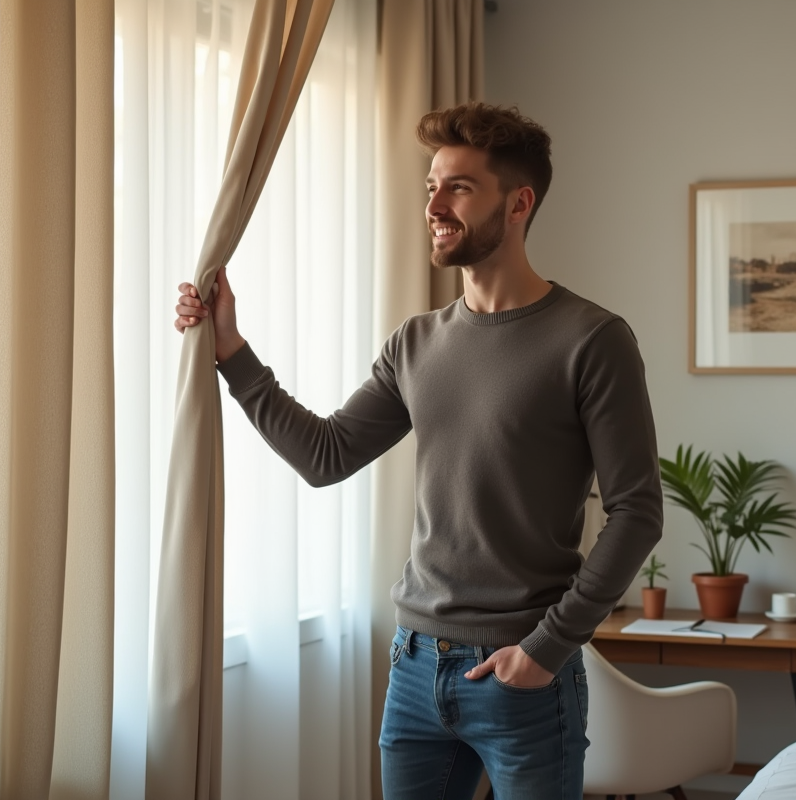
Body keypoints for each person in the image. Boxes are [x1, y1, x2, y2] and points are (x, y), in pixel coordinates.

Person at [174, 102, 663, 800]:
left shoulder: (592, 340)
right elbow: (326, 454)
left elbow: (637, 511)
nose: (433, 203)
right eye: (430, 185)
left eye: (458, 186)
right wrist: (231, 353)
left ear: (518, 203)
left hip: (521, 676)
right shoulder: (415, 343)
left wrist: (547, 649)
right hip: (413, 669)